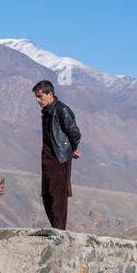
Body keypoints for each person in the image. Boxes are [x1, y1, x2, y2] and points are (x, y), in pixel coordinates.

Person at [32, 80, 81, 230]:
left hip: (59, 158)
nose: (37, 100)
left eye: (40, 96)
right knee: (47, 194)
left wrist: (72, 149)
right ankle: (55, 227)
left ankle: (59, 231)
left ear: (50, 94)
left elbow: (75, 133)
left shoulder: (62, 110)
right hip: (47, 158)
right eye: (36, 96)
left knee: (57, 194)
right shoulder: (46, 112)